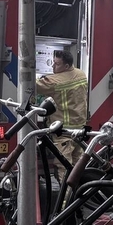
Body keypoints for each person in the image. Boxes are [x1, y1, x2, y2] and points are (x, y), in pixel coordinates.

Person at [36, 49, 88, 178]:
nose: (53, 66)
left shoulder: (54, 81)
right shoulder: (81, 74)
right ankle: (81, 194)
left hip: (63, 131)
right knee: (78, 167)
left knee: (64, 168)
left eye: (56, 64)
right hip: (79, 128)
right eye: (53, 62)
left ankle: (67, 196)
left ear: (66, 66)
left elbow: (31, 86)